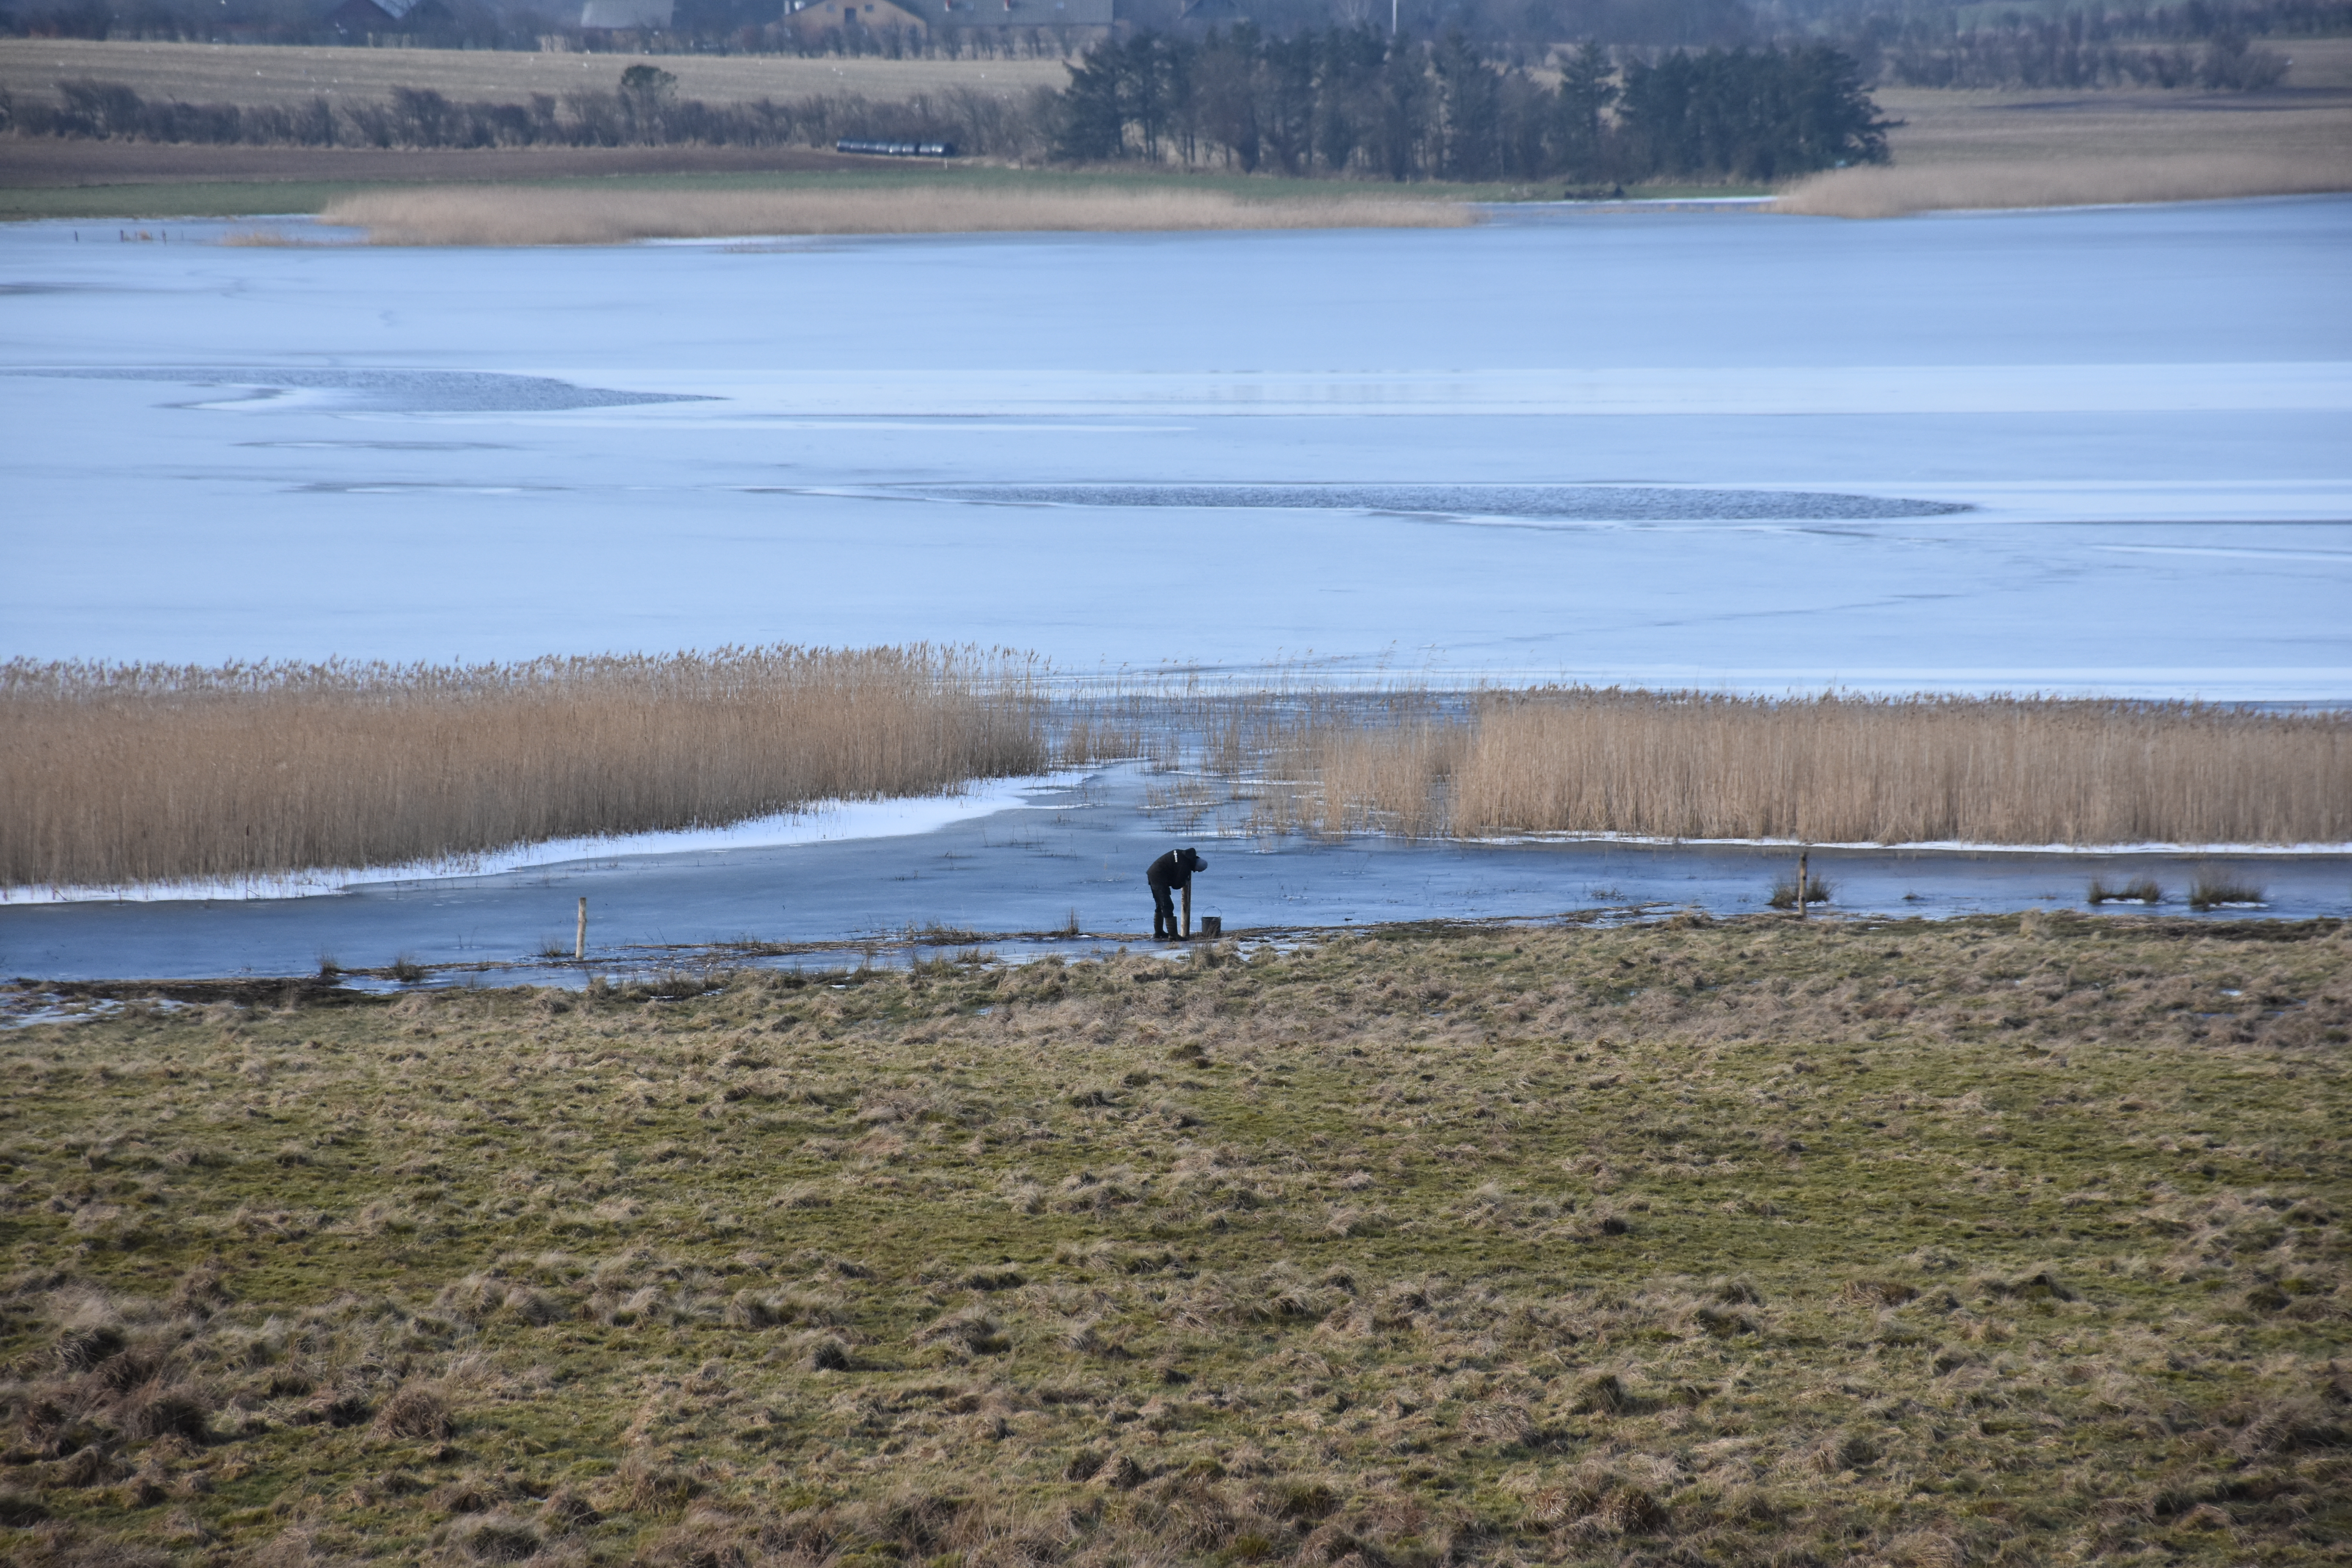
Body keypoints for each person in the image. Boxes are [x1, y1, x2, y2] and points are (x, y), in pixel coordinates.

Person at [1146, 847, 1206, 940]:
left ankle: (1159, 933)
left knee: (1160, 904)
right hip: (1158, 877)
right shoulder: (1185, 866)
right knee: (1167, 905)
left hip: (1154, 872)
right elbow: (1176, 885)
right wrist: (1185, 881)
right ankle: (1173, 936)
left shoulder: (1185, 854)